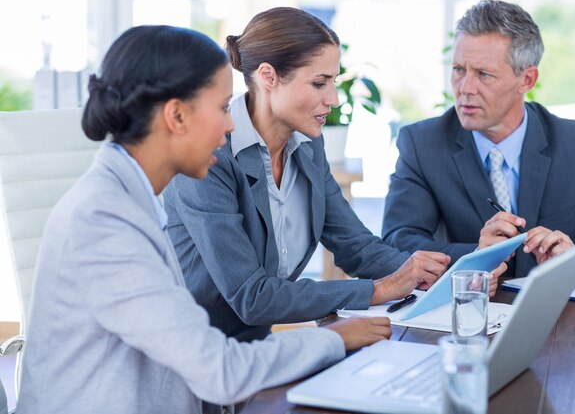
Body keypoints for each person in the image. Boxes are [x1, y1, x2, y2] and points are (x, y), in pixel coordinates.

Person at [16, 25, 393, 414]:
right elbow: (220, 369)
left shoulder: (130, 198)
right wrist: (336, 339)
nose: (231, 126)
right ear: (177, 116)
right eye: (223, 108)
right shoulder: (104, 221)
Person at [164, 7, 503, 343]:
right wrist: (380, 289)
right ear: (268, 76)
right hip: (190, 356)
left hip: (254, 349)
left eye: (334, 82)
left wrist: (448, 276)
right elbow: (252, 297)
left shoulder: (308, 147)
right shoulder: (209, 156)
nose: (334, 99)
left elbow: (358, 248)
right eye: (319, 83)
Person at [382, 0, 575, 287]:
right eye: (459, 69)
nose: (465, 89)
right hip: (468, 317)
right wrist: (474, 258)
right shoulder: (422, 144)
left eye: (483, 74)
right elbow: (398, 242)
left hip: (563, 316)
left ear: (527, 79)